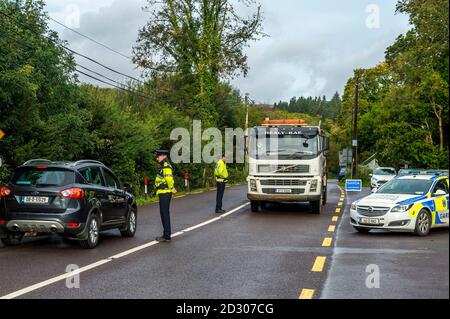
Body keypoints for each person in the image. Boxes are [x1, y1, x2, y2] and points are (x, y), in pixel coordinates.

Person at [154, 150, 175, 242]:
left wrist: (172, 188)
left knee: (164, 213)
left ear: (163, 156)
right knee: (164, 213)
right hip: (162, 192)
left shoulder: (166, 166)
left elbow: (169, 178)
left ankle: (167, 236)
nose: (157, 158)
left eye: (158, 156)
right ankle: (166, 234)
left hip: (165, 192)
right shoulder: (164, 165)